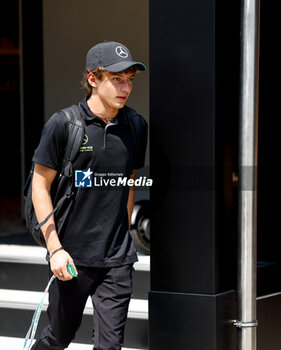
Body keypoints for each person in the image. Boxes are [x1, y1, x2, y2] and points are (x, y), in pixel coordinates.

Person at [31, 41, 147, 350]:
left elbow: (129, 181)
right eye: (117, 78)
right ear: (93, 79)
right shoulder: (64, 125)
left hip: (117, 258)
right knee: (58, 337)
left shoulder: (136, 126)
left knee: (109, 347)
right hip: (72, 257)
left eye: (130, 80)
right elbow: (39, 186)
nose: (126, 88)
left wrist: (124, 233)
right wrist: (55, 248)